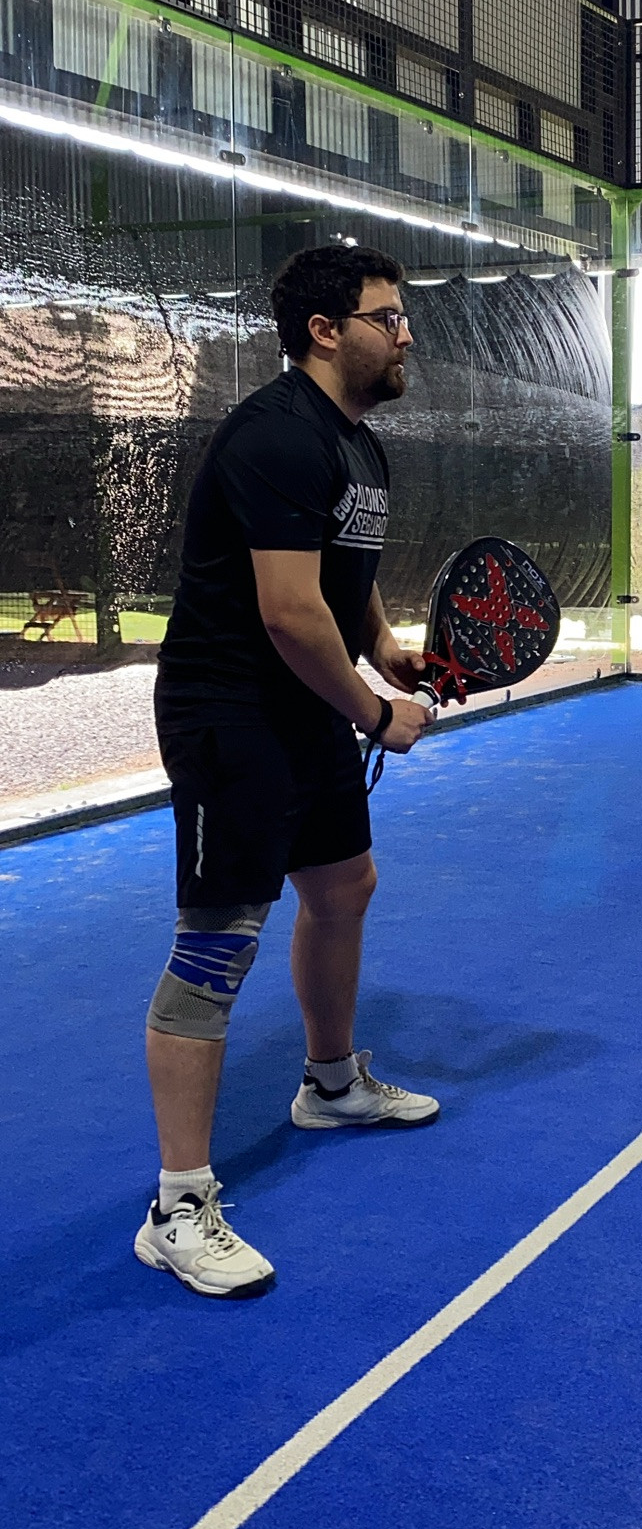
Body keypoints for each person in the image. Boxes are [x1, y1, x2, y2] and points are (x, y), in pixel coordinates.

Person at [135, 243, 437, 1298]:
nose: (404, 334)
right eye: (387, 318)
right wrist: (378, 711)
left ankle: (331, 1084)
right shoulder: (274, 433)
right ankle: (177, 1204)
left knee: (344, 885)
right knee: (220, 939)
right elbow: (288, 611)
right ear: (324, 330)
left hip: (304, 703)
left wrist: (385, 646)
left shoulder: (358, 447)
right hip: (230, 712)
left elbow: (343, 580)